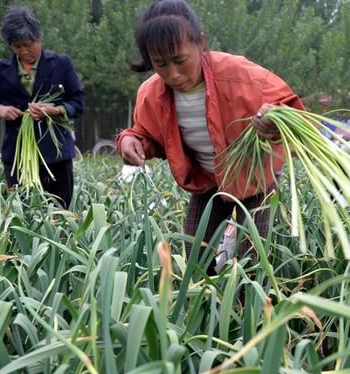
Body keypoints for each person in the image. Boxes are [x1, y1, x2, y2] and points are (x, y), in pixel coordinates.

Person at [115, 0, 304, 271]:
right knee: (195, 256)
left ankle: (248, 308)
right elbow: (146, 135)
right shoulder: (151, 93)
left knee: (251, 260)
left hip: (254, 181)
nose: (173, 74)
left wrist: (275, 121)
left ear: (200, 43)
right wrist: (130, 141)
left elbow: (293, 115)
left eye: (180, 60)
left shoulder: (244, 77)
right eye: (160, 64)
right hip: (208, 183)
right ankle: (207, 306)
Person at [0, 5, 84, 208]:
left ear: (39, 38)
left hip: (55, 157)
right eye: (17, 46)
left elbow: (78, 102)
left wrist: (54, 110)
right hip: (17, 158)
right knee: (21, 212)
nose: (24, 51)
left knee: (59, 213)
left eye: (28, 44)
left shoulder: (61, 64)